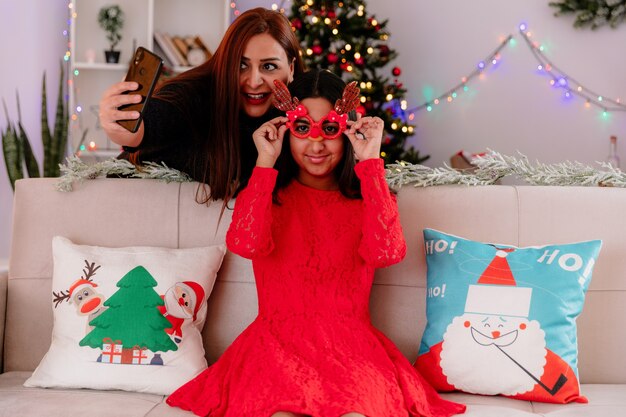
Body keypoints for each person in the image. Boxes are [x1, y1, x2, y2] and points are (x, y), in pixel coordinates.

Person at [165, 69, 466, 417]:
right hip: (276, 346)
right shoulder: (266, 195)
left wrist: (369, 161)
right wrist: (265, 160)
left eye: (330, 129)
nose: (317, 144)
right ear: (284, 130)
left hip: (351, 348)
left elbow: (387, 252)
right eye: (303, 129)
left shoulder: (367, 198)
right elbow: (246, 244)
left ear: (347, 131)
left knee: (358, 412)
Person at [98, 7, 305, 203]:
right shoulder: (197, 93)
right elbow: (155, 121)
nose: (253, 81)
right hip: (129, 204)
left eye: (269, 66)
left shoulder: (301, 111)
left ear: (292, 68)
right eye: (241, 65)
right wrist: (121, 124)